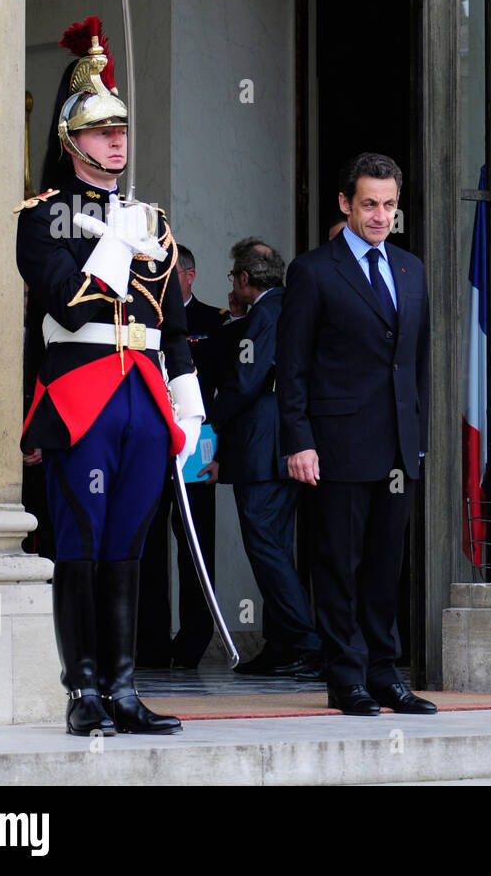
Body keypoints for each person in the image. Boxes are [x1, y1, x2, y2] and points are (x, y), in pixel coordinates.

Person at [16, 17, 203, 735]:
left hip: (144, 396)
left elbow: (174, 326)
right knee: (82, 541)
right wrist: (114, 251)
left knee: (129, 542)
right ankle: (82, 692)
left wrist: (191, 411)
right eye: (100, 130)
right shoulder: (42, 218)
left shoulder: (150, 219)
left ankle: (124, 689)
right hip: (81, 392)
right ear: (71, 141)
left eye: (121, 129)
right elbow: (63, 303)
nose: (116, 141)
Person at [277, 152, 435, 716]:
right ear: (345, 204)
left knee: (384, 567)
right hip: (335, 445)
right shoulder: (314, 270)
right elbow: (291, 365)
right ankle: (346, 679)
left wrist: (417, 437)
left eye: (389, 205)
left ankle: (385, 674)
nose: (380, 216)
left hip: (397, 447)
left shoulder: (412, 269)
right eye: (369, 204)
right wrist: (298, 439)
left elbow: (417, 363)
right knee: (338, 566)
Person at [212, 238, 322, 677]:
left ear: (242, 279)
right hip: (280, 445)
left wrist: (207, 422)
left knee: (266, 547)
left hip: (264, 447)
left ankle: (306, 642)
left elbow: (246, 379)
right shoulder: (283, 306)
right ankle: (283, 645)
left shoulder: (267, 312)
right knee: (275, 545)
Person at [137, 244, 230, 668]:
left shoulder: (216, 322)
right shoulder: (144, 315)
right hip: (153, 444)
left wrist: (222, 451)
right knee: (148, 544)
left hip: (199, 447)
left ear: (189, 277)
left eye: (171, 274)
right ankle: (150, 642)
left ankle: (194, 640)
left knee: (195, 545)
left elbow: (231, 391)